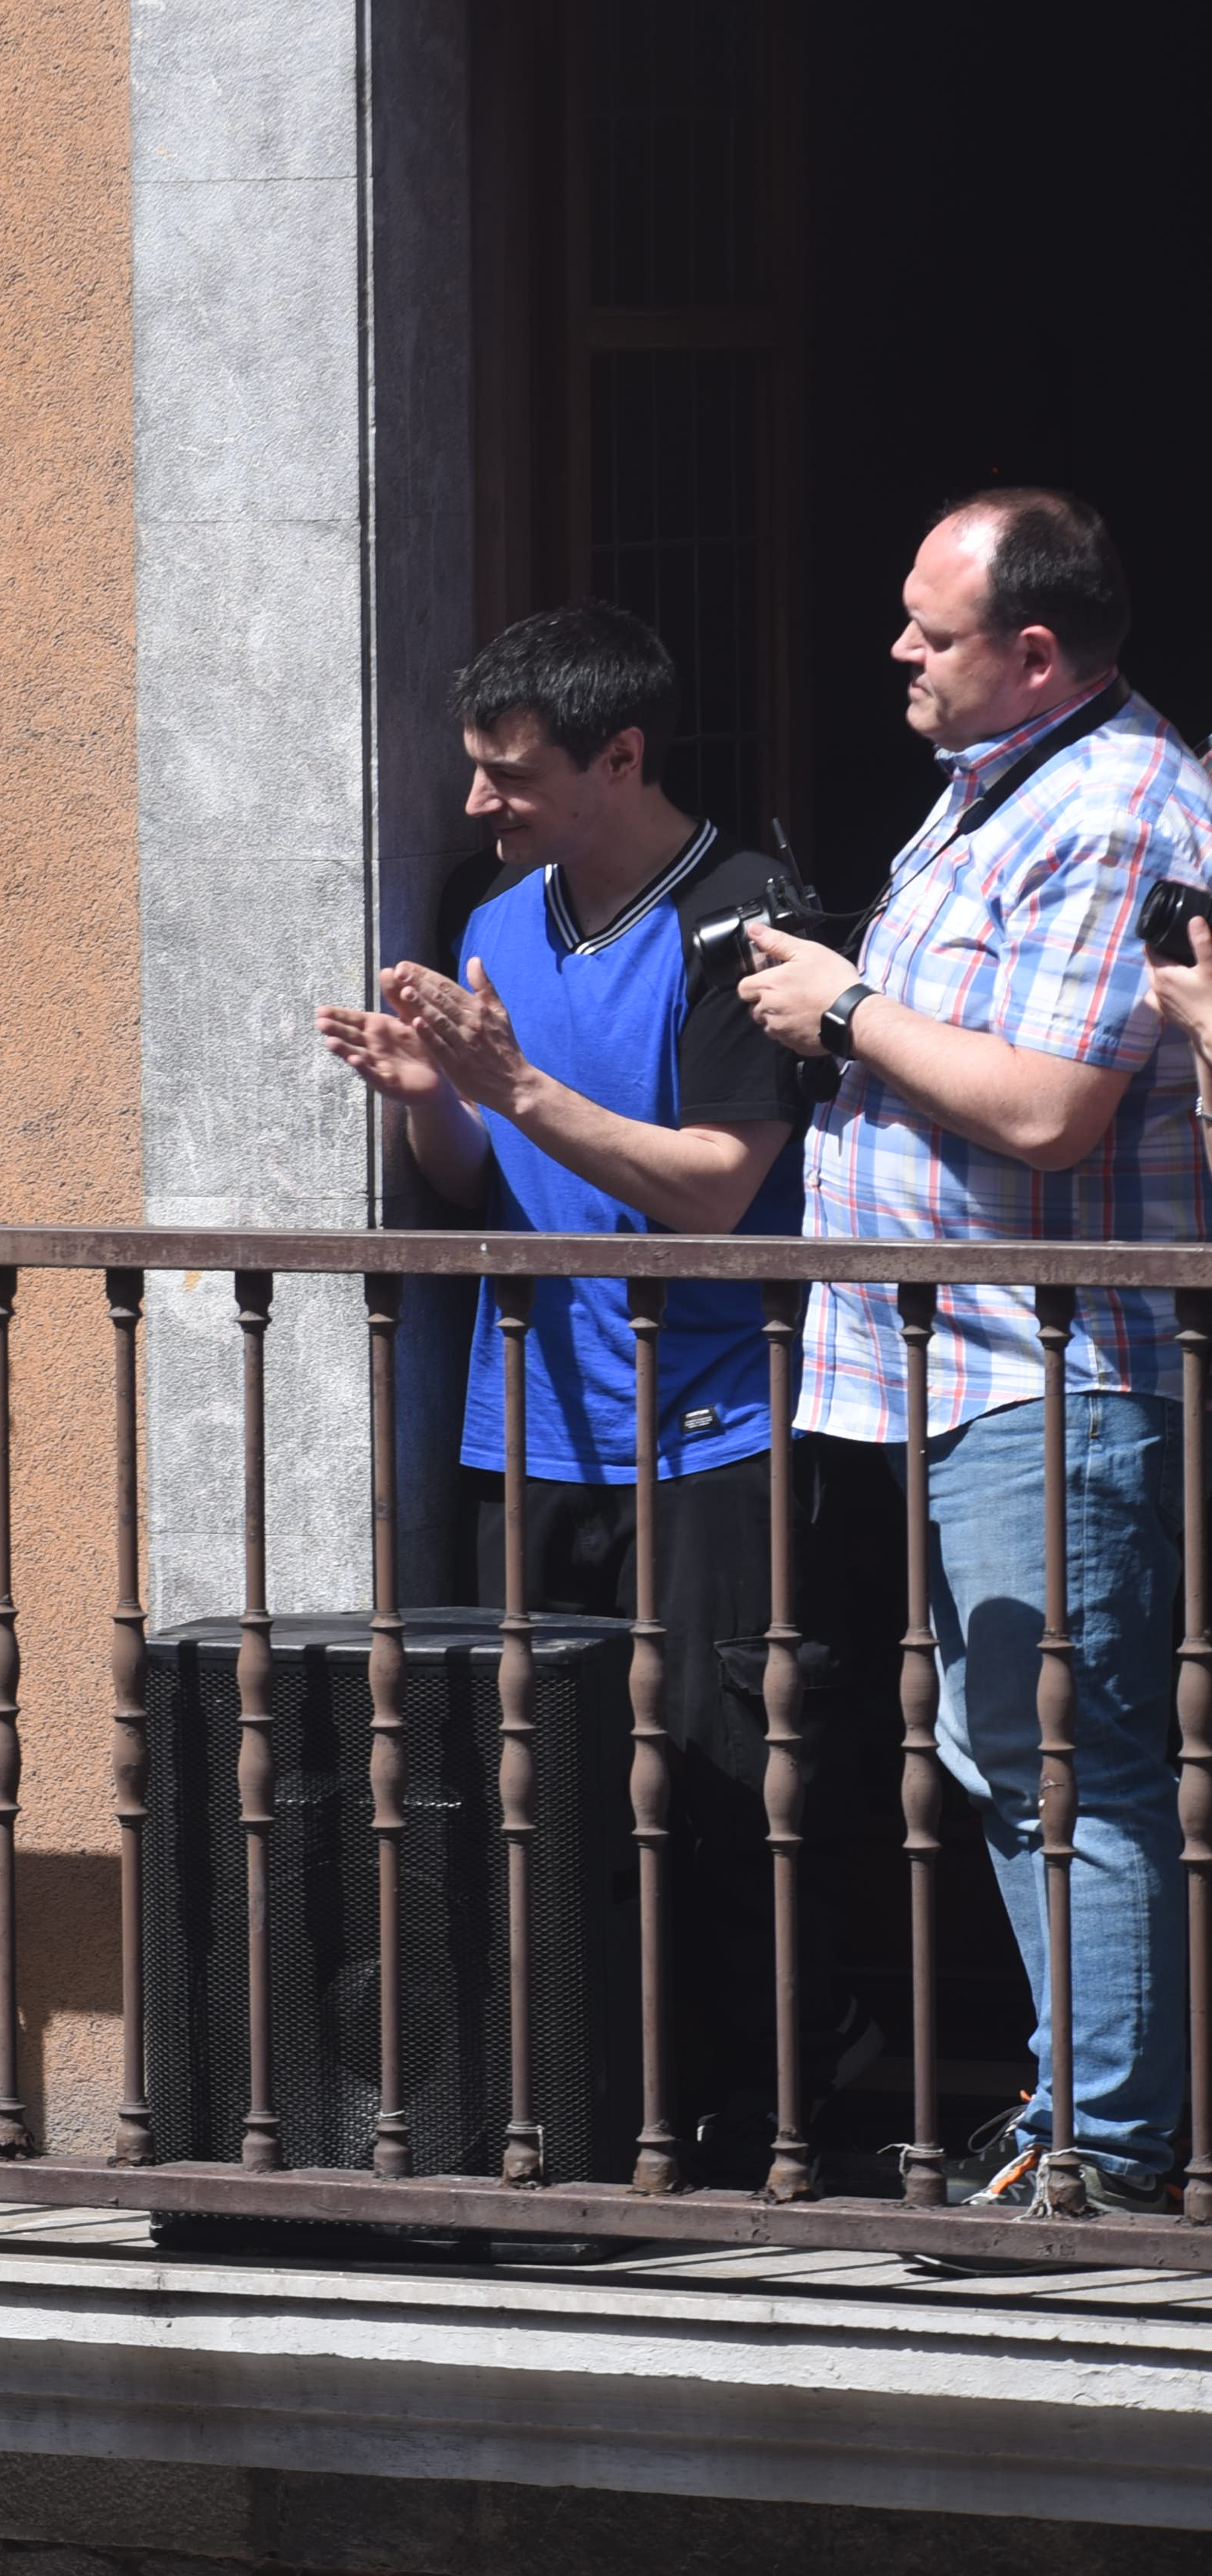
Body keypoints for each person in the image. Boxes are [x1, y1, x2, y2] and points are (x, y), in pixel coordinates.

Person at [737, 489, 1212, 2214]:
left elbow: (1051, 1106)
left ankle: (1108, 2149)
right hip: (967, 1367)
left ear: (1034, 650)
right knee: (1018, 1757)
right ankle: (1080, 2113)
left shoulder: (1117, 803)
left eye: (928, 632)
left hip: (1052, 1368)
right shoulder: (999, 783)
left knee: (1063, 1762)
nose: (895, 651)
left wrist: (847, 1008)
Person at [311, 604, 815, 2171]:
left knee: (712, 1795)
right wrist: (433, 1101)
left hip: (707, 1431)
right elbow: (473, 1176)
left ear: (620, 756)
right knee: (525, 1788)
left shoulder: (742, 917)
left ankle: (749, 2117)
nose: (478, 803)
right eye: (475, 769)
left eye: (512, 774)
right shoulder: (492, 912)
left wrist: (513, 1083)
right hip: (520, 1427)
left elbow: (716, 1187)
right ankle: (560, 2103)